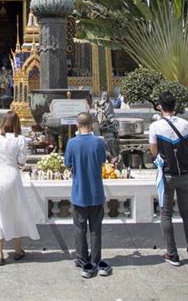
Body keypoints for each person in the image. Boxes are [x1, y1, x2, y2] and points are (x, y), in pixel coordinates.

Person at [149, 91, 188, 266]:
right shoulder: (185, 124)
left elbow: (153, 150)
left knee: (166, 214)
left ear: (160, 106)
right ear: (175, 106)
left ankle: (172, 254)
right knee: (187, 214)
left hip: (167, 175)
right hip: (184, 174)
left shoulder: (156, 126)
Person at [0, 111, 39, 265]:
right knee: (16, 212)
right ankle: (17, 250)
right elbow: (22, 161)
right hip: (12, 177)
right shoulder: (20, 139)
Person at [64, 112, 112, 279]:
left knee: (79, 228)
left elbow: (68, 164)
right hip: (96, 193)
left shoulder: (71, 143)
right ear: (91, 125)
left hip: (79, 193)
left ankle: (82, 259)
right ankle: (96, 260)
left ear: (78, 125)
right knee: (95, 229)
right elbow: (102, 162)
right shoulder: (99, 143)